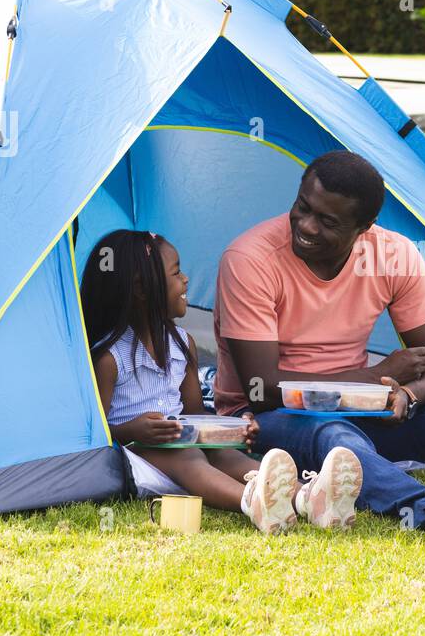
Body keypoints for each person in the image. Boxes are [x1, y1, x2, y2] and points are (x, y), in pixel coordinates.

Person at [212, 151, 425, 530]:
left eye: (327, 221)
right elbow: (261, 390)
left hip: (369, 413)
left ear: (365, 227)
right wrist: (374, 375)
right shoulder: (250, 259)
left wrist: (410, 396)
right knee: (335, 435)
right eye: (302, 207)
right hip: (270, 420)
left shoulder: (392, 254)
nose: (307, 226)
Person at [81, 229, 363, 534]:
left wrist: (230, 430)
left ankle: (309, 497)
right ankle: (252, 502)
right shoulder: (110, 358)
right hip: (135, 456)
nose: (186, 280)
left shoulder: (180, 344)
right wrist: (132, 430)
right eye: (176, 273)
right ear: (142, 289)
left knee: (221, 452)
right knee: (187, 453)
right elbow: (93, 434)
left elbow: (194, 413)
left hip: (180, 443)